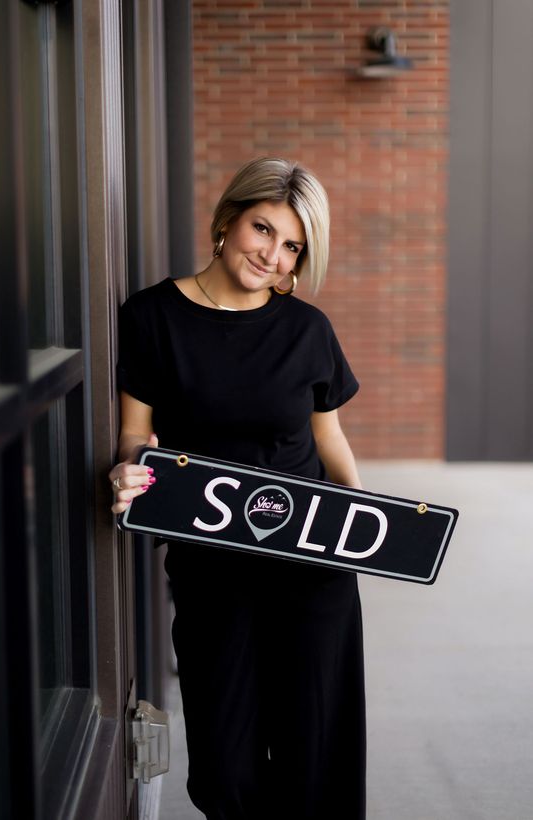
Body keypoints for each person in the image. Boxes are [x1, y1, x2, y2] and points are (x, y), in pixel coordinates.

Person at [109, 157, 366, 820]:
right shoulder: (150, 318)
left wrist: (366, 528)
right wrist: (129, 471)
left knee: (314, 760)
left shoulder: (307, 330)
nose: (273, 257)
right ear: (226, 220)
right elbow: (135, 434)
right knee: (225, 766)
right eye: (263, 230)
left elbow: (328, 440)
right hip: (210, 568)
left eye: (292, 248)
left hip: (311, 567)